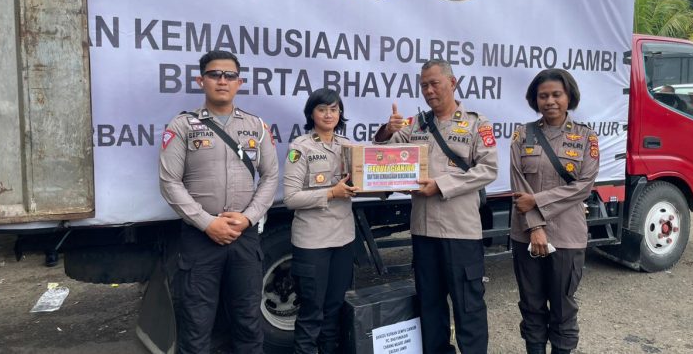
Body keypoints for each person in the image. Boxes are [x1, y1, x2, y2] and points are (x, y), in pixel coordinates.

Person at [373, 59, 498, 353]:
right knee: (429, 305)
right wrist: (386, 131)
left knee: (468, 306)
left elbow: (488, 170)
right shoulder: (416, 124)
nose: (428, 90)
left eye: (434, 83)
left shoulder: (477, 123)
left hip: (460, 231)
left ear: (452, 83)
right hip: (424, 230)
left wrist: (441, 185)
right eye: (424, 85)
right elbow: (381, 156)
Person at [159, 50, 278, 354]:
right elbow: (169, 182)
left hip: (244, 237)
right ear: (201, 81)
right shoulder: (183, 126)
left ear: (239, 82)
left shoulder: (256, 126)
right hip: (201, 238)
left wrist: (248, 217)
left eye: (229, 75)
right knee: (196, 324)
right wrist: (207, 223)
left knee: (248, 321)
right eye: (214, 74)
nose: (222, 81)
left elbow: (270, 177)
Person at [509, 69, 599, 354]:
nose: (549, 101)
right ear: (535, 99)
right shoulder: (522, 134)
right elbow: (518, 185)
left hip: (567, 236)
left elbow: (583, 186)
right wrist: (536, 227)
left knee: (563, 308)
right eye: (543, 96)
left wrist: (537, 200)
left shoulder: (586, 137)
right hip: (526, 235)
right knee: (531, 305)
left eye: (556, 95)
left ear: (568, 96)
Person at [283, 88, 359, 354]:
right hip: (312, 242)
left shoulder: (347, 146)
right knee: (311, 312)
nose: (329, 115)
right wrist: (331, 193)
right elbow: (291, 198)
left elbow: (363, 180)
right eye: (322, 109)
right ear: (311, 114)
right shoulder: (300, 147)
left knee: (334, 309)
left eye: (334, 109)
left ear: (340, 113)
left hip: (343, 238)